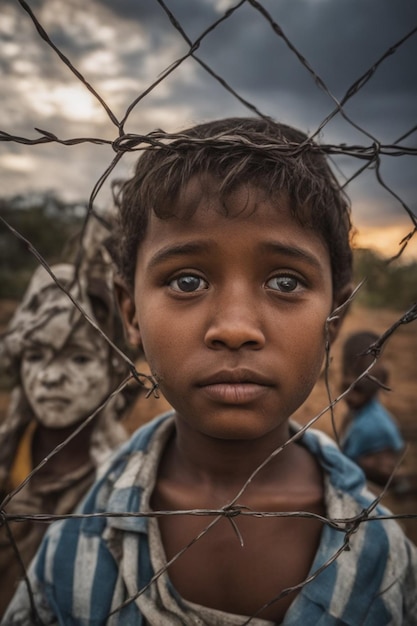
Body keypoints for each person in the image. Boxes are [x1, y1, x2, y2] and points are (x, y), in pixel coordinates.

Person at [3, 117, 417, 625]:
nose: (235, 328)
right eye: (187, 280)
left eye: (285, 282)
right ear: (130, 312)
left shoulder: (385, 558)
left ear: (336, 317)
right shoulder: (73, 543)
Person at [0, 225, 135, 615]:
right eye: (36, 356)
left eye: (78, 358)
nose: (51, 377)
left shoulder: (126, 483)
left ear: (114, 369)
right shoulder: (8, 459)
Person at [339, 330, 406, 487]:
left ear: (376, 386)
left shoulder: (373, 427)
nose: (350, 397)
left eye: (358, 390)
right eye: (346, 388)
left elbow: (386, 473)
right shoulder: (357, 414)